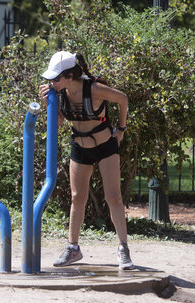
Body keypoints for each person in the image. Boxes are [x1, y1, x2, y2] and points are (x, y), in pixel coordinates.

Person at [39, 51, 134, 270]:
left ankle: (123, 249)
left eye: (56, 78)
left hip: (105, 147)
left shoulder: (94, 89)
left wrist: (121, 129)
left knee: (114, 197)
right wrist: (49, 104)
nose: (51, 82)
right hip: (79, 147)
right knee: (77, 197)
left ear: (70, 76)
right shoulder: (59, 93)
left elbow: (122, 99)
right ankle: (73, 248)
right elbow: (60, 122)